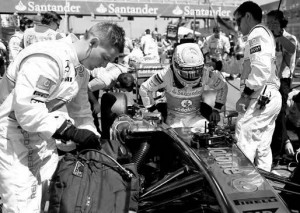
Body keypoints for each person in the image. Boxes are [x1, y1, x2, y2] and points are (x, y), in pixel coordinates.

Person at [0, 22, 125, 212]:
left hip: (43, 140)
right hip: (12, 138)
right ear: (93, 42)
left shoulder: (81, 70)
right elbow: (27, 109)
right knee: (21, 206)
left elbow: (81, 110)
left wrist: (92, 137)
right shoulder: (49, 57)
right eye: (105, 57)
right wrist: (69, 131)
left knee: (51, 199)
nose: (105, 65)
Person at [231, 1, 281, 172]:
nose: (237, 27)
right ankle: (265, 186)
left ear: (247, 16)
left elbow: (260, 70)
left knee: (244, 136)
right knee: (262, 147)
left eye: (238, 21)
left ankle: (242, 183)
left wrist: (245, 95)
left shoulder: (257, 34)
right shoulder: (262, 35)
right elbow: (248, 67)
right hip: (270, 96)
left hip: (261, 95)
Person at [139, 42, 227, 130]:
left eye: (196, 71)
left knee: (209, 133)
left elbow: (223, 86)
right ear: (176, 64)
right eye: (187, 71)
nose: (192, 75)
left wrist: (216, 109)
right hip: (173, 119)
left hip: (195, 117)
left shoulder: (206, 73)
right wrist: (154, 112)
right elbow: (144, 89)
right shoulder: (165, 74)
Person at [266, 10, 298, 160]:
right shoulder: (266, 38)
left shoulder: (289, 38)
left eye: (274, 23)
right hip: (267, 81)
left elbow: (292, 49)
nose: (270, 25)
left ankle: (278, 151)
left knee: (279, 114)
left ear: (281, 24)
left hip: (283, 81)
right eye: (268, 22)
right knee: (266, 114)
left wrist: (278, 36)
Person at [88, 62, 133, 133]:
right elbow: (86, 88)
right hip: (89, 76)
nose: (122, 91)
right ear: (118, 84)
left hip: (103, 72)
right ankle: (94, 131)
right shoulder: (105, 81)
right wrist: (95, 103)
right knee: (92, 109)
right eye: (122, 89)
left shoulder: (124, 70)